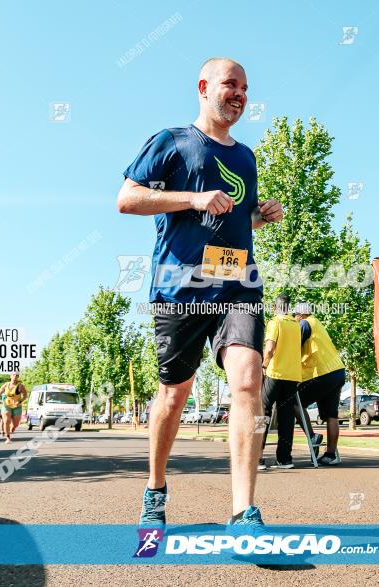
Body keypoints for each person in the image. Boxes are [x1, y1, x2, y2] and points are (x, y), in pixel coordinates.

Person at [117, 57, 283, 531]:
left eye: (246, 88)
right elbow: (128, 199)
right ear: (204, 87)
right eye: (231, 84)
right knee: (174, 394)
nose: (240, 94)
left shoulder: (246, 157)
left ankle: (243, 512)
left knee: (248, 381)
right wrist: (191, 198)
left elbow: (231, 217)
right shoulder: (171, 142)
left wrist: (257, 216)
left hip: (238, 283)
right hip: (180, 289)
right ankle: (154, 487)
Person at [295, 303, 346, 466]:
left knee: (294, 402)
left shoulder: (304, 324)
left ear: (300, 315)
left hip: (322, 373)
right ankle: (330, 455)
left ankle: (312, 436)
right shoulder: (318, 324)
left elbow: (293, 348)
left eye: (294, 316)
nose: (294, 319)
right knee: (332, 415)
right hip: (337, 372)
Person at [258, 294, 302, 470]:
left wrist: (263, 365)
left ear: (276, 307)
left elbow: (269, 349)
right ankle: (284, 459)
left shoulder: (275, 322)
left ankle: (257, 458)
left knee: (262, 414)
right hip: (292, 376)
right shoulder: (296, 325)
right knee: (286, 417)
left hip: (275, 374)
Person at [0, 373, 28, 443]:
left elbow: (25, 395)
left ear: (18, 377)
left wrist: (20, 401)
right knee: (6, 421)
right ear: (10, 376)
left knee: (15, 425)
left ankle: (12, 428)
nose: (15, 376)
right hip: (6, 405)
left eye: (17, 375)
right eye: (13, 375)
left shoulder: (20, 386)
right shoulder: (6, 385)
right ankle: (8, 438)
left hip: (17, 406)